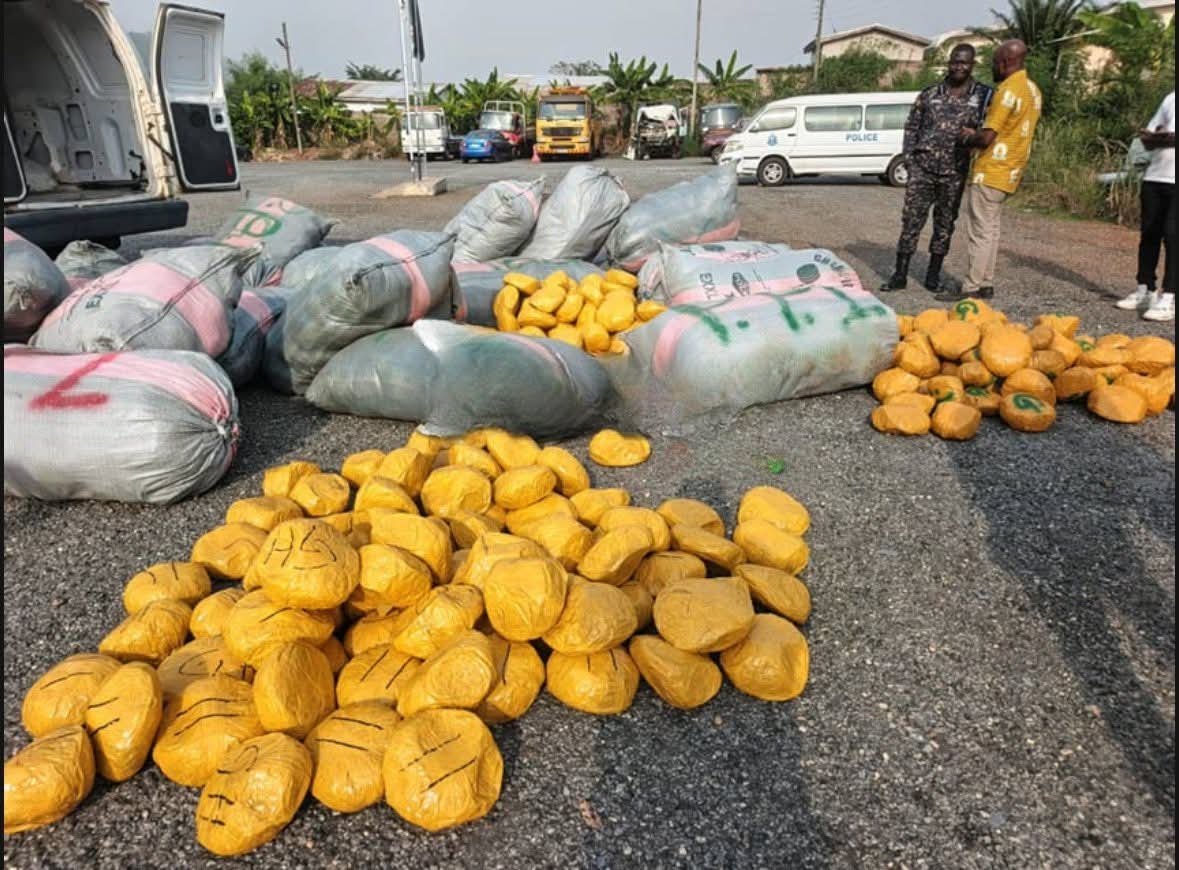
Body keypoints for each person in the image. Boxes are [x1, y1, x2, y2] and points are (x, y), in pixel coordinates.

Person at [880, 44, 993, 293]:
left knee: (944, 225)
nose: (958, 67)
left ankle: (933, 276)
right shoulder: (930, 94)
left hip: (954, 171)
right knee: (911, 222)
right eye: (955, 62)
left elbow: (990, 129)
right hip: (923, 169)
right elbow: (912, 126)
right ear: (949, 63)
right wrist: (909, 158)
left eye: (964, 62)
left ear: (972, 65)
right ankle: (900, 275)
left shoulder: (983, 96)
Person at [938, 39, 1042, 302]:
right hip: (1012, 170)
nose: (993, 68)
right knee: (992, 230)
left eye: (995, 62)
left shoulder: (1007, 91)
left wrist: (967, 136)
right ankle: (986, 283)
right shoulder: (1032, 89)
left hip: (992, 169)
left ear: (1005, 62)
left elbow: (986, 138)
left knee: (980, 232)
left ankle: (971, 287)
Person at [1115, 90, 1175, 322]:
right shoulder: (1171, 98)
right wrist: (1163, 137)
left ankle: (1169, 297)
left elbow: (1155, 137)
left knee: (1173, 236)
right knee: (1149, 234)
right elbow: (1146, 140)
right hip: (1156, 176)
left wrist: (1162, 137)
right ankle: (1145, 289)